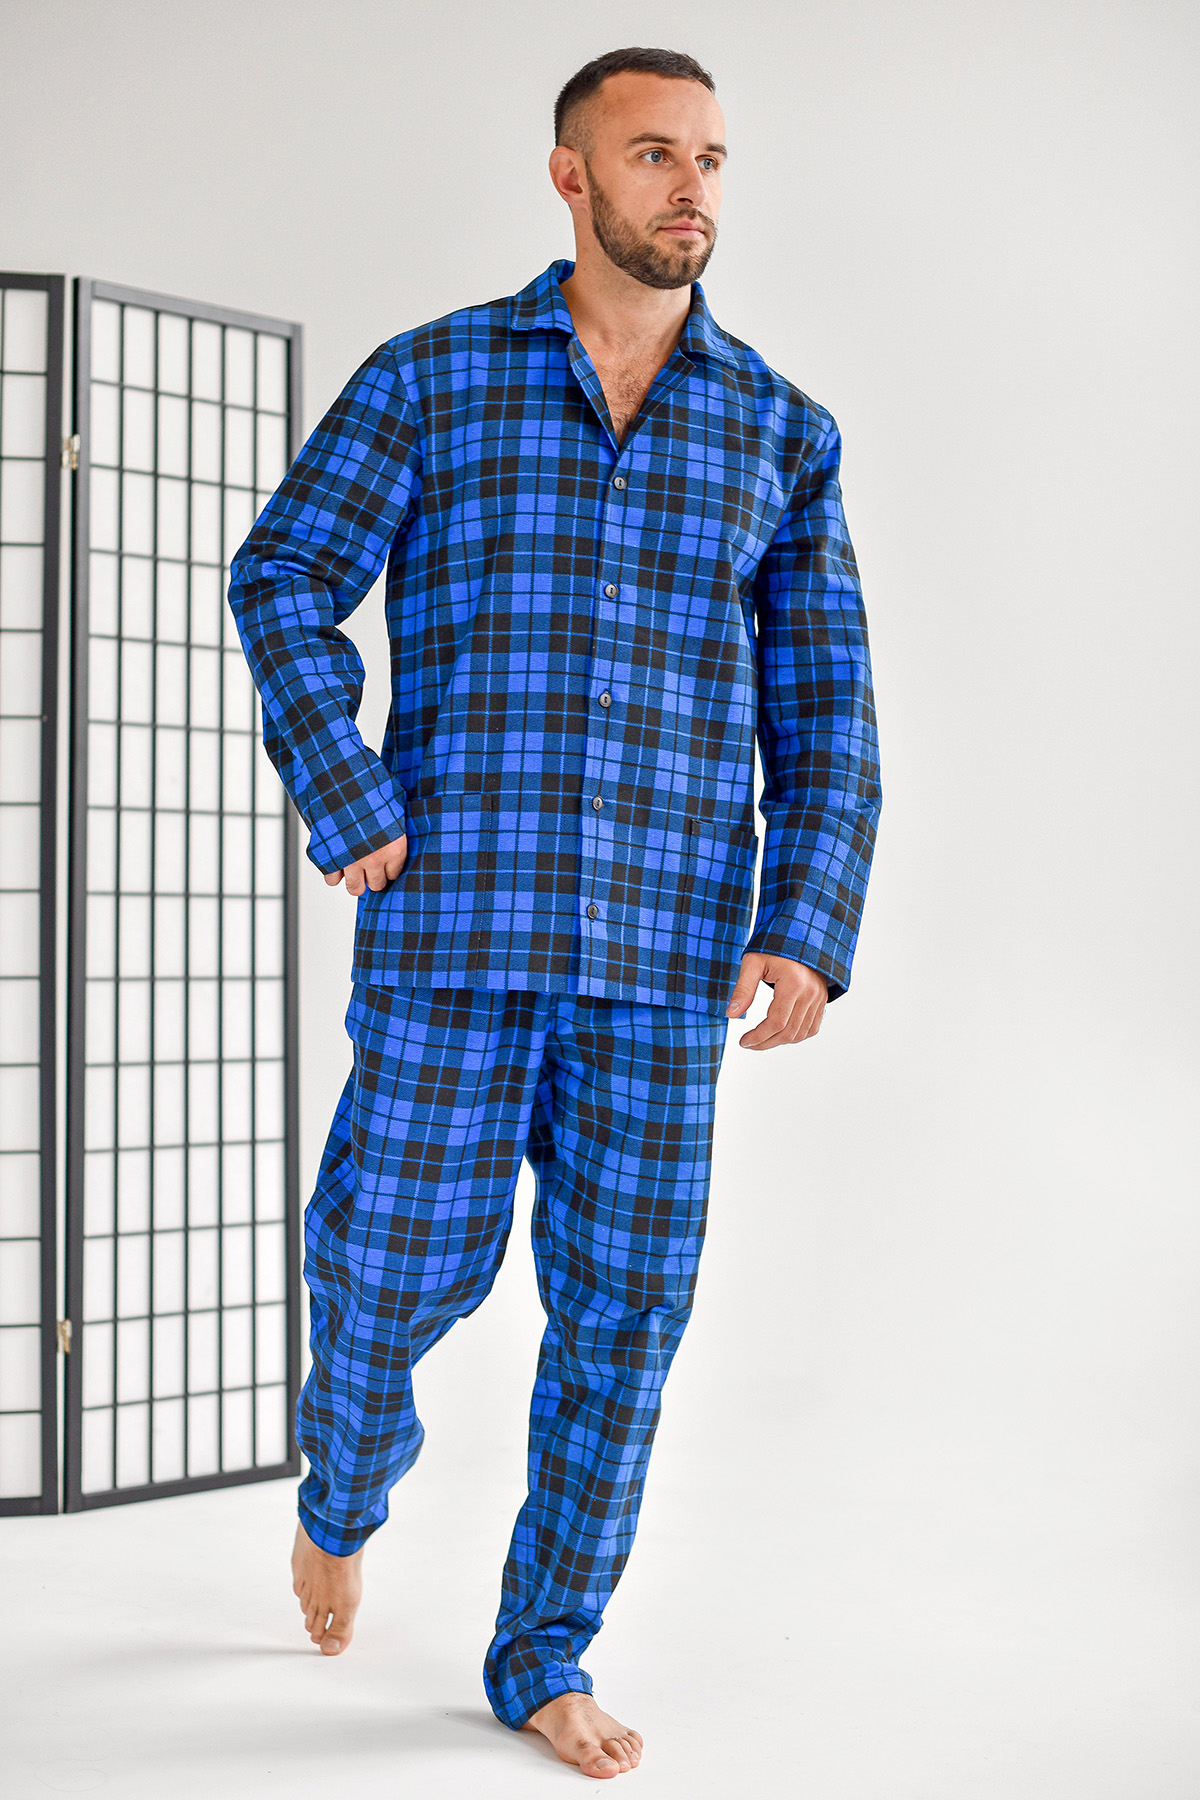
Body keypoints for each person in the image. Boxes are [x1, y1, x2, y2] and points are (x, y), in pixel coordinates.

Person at [228, 44, 881, 1782]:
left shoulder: (782, 432)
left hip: (665, 961)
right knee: (386, 1270)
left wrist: (808, 920)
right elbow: (284, 574)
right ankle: (345, 1486)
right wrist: (348, 789)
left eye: (713, 159)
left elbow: (826, 703)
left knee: (623, 1322)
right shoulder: (434, 377)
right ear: (571, 177)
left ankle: (544, 1653)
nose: (693, 189)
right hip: (455, 935)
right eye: (655, 155)